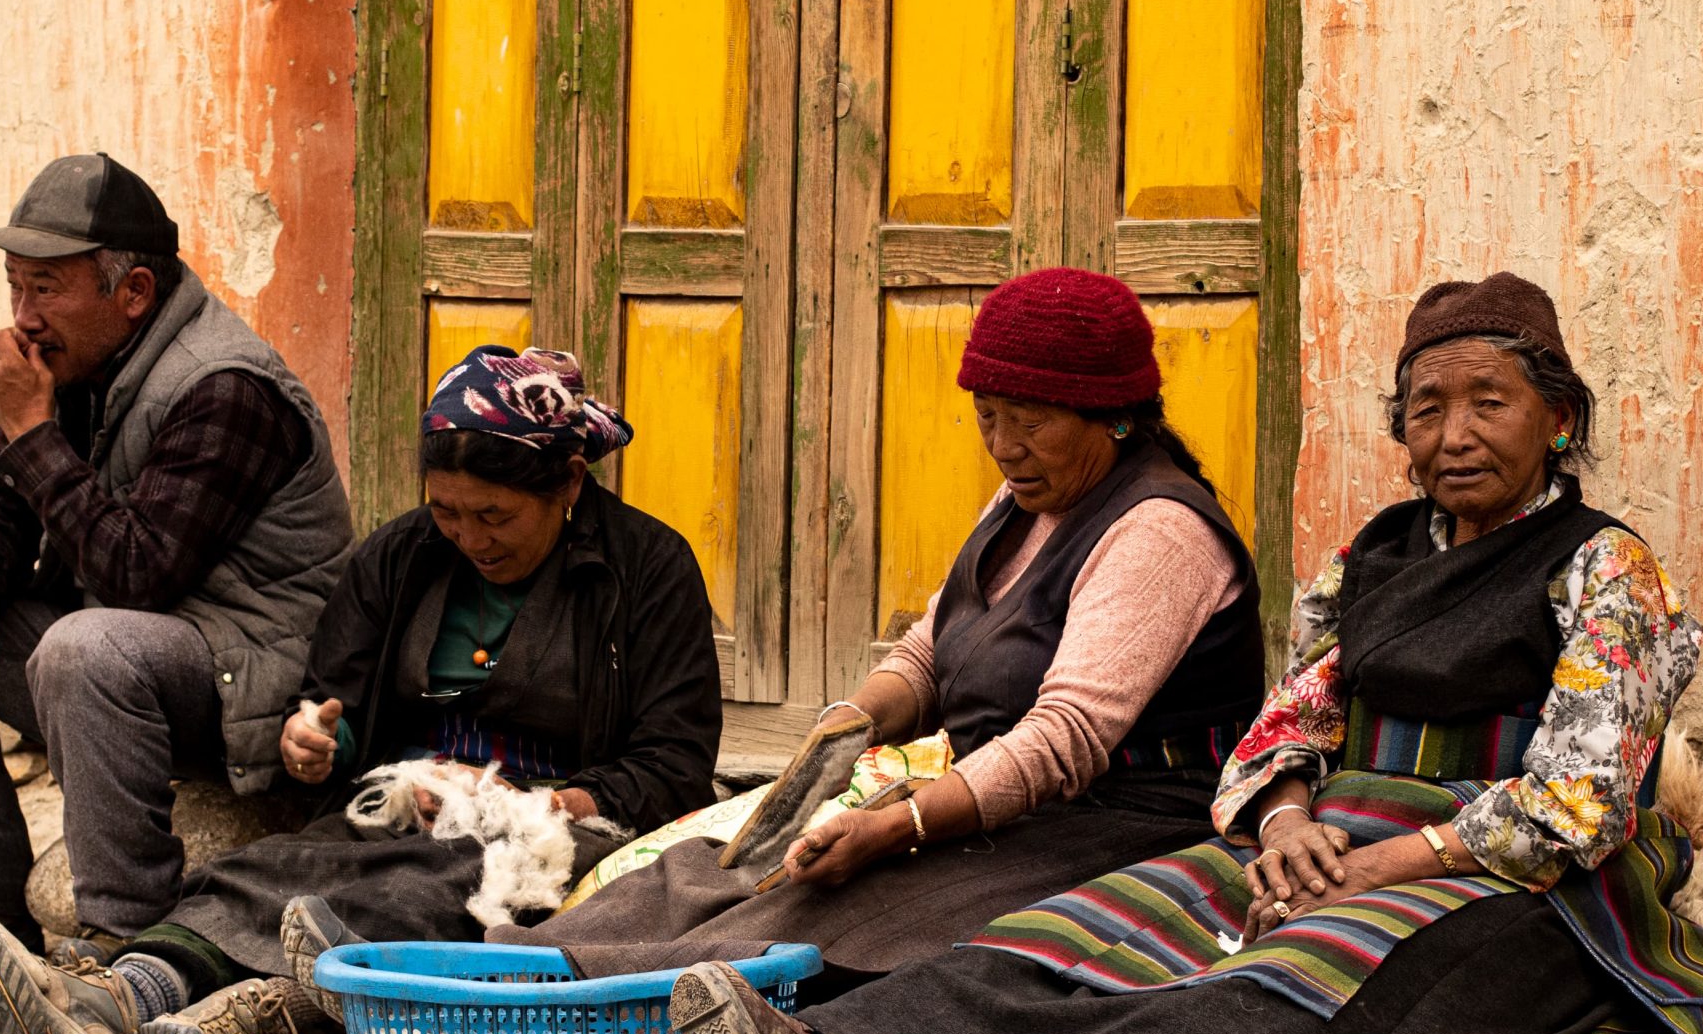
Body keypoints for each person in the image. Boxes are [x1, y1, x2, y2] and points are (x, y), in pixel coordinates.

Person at [670, 272, 1703, 1034]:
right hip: (1330, 832)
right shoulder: (1370, 559)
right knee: (1088, 929)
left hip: (1510, 877)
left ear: (1559, 418)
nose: (1453, 434)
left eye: (1489, 402)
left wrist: (1374, 866)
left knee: (1296, 978)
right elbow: (1287, 724)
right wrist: (1289, 822)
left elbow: (1577, 798)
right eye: (1426, 408)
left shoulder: (1604, 569)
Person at [0, 345, 722, 1034]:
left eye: (495, 515)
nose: (470, 537)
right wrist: (317, 742)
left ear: (570, 485)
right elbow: (336, 705)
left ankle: (215, 1014)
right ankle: (116, 1001)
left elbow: (674, 762)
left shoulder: (649, 571)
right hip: (402, 812)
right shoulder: (400, 557)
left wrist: (531, 805)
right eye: (447, 510)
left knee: (442, 881)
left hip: (556, 834)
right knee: (267, 865)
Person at [489, 266, 1265, 992]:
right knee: (711, 868)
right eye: (988, 418)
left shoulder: (1158, 531)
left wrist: (905, 824)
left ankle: (599, 1008)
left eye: (1029, 422)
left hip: (1116, 828)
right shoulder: (1027, 498)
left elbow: (1063, 738)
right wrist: (853, 721)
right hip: (1017, 811)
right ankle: (512, 973)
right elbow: (934, 648)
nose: (1002, 448)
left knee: (824, 910)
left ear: (1118, 419)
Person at [0, 154, 353, 969]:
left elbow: (137, 572)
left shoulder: (225, 386)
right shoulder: (77, 361)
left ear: (133, 294)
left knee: (87, 645)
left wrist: (30, 432)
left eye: (45, 289)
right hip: (137, 658)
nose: (22, 316)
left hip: (250, 676)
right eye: (14, 287)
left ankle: (126, 928)